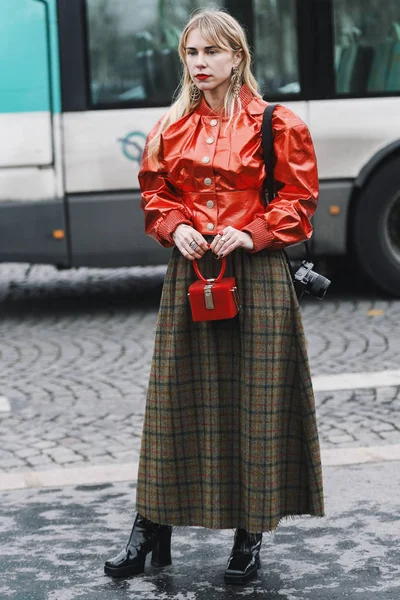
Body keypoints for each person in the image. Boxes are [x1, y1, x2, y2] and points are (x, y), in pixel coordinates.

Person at [104, 8, 324, 585]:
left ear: (237, 56)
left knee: (256, 405)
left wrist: (250, 230)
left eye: (211, 53)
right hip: (192, 273)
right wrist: (172, 225)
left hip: (257, 276)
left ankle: (248, 537)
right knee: (172, 403)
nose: (200, 64)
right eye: (192, 55)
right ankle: (149, 528)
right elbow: (156, 195)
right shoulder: (169, 127)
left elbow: (298, 206)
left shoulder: (278, 124)